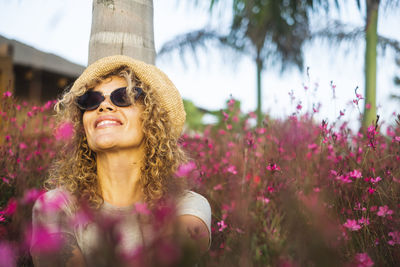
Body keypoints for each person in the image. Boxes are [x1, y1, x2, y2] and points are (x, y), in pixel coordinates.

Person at [30, 55, 211, 266]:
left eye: (123, 96)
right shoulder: (54, 206)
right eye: (91, 101)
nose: (104, 106)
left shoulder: (187, 206)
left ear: (153, 119)